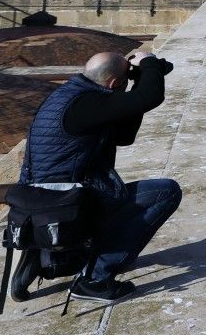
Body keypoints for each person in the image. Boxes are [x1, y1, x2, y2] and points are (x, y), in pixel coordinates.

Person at [18, 48, 182, 304]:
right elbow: (150, 97)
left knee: (117, 198)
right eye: (124, 83)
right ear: (114, 83)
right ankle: (94, 279)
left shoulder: (73, 96)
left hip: (42, 201)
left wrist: (136, 82)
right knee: (166, 192)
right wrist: (149, 64)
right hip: (65, 201)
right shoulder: (88, 104)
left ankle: (45, 254)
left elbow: (123, 136)